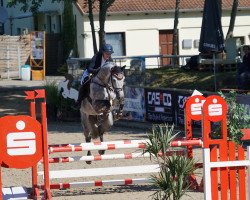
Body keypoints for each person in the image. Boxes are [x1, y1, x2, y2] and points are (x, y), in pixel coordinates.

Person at [75, 44, 114, 108]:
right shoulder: (96, 56)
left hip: (102, 76)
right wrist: (98, 71)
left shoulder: (110, 60)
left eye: (110, 54)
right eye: (107, 53)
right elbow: (89, 69)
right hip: (92, 72)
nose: (108, 55)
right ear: (103, 52)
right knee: (84, 83)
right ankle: (79, 101)